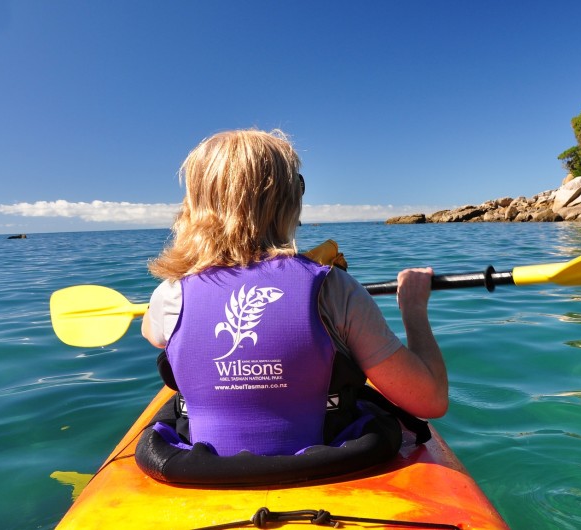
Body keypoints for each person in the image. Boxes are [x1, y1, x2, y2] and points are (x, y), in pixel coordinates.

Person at [141, 128, 447, 458]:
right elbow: (429, 400)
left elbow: (154, 335)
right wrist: (413, 308)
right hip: (324, 466)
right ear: (290, 200)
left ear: (194, 206)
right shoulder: (334, 288)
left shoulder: (169, 294)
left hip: (205, 470)